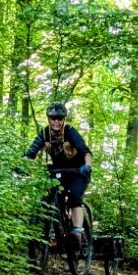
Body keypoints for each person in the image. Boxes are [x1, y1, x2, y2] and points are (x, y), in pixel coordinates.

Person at [26, 102, 91, 250]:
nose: (56, 121)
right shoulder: (45, 134)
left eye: (60, 118)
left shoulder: (70, 132)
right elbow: (31, 152)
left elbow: (86, 152)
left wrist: (87, 166)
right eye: (53, 118)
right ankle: (56, 233)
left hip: (78, 172)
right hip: (59, 172)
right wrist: (23, 165)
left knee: (74, 195)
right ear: (48, 119)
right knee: (52, 196)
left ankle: (77, 232)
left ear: (64, 119)